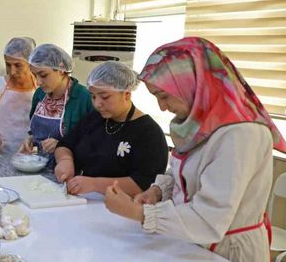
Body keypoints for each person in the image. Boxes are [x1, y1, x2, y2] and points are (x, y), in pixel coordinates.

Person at [105, 37, 284, 262]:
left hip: (228, 250)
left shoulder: (240, 134)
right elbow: (185, 171)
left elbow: (210, 218)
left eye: (163, 96)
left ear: (192, 83)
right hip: (194, 241)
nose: (162, 106)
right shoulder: (200, 125)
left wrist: (138, 213)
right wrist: (159, 191)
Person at [54, 61, 168, 196]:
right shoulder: (94, 119)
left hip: (123, 209)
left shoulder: (148, 133)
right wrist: (64, 160)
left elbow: (145, 183)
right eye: (93, 96)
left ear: (126, 94)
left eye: (105, 97)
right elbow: (65, 144)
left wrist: (94, 184)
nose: (97, 104)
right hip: (84, 201)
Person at [19, 44, 94, 166]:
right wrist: (31, 139)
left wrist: (62, 145)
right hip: (39, 166)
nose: (38, 82)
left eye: (43, 75)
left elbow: (95, 140)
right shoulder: (39, 95)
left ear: (61, 69)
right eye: (34, 75)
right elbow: (35, 131)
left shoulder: (84, 98)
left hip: (70, 171)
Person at [0, 37, 36, 154]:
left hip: (29, 155)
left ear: (30, 63)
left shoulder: (40, 88)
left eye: (17, 65)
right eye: (8, 65)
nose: (12, 71)